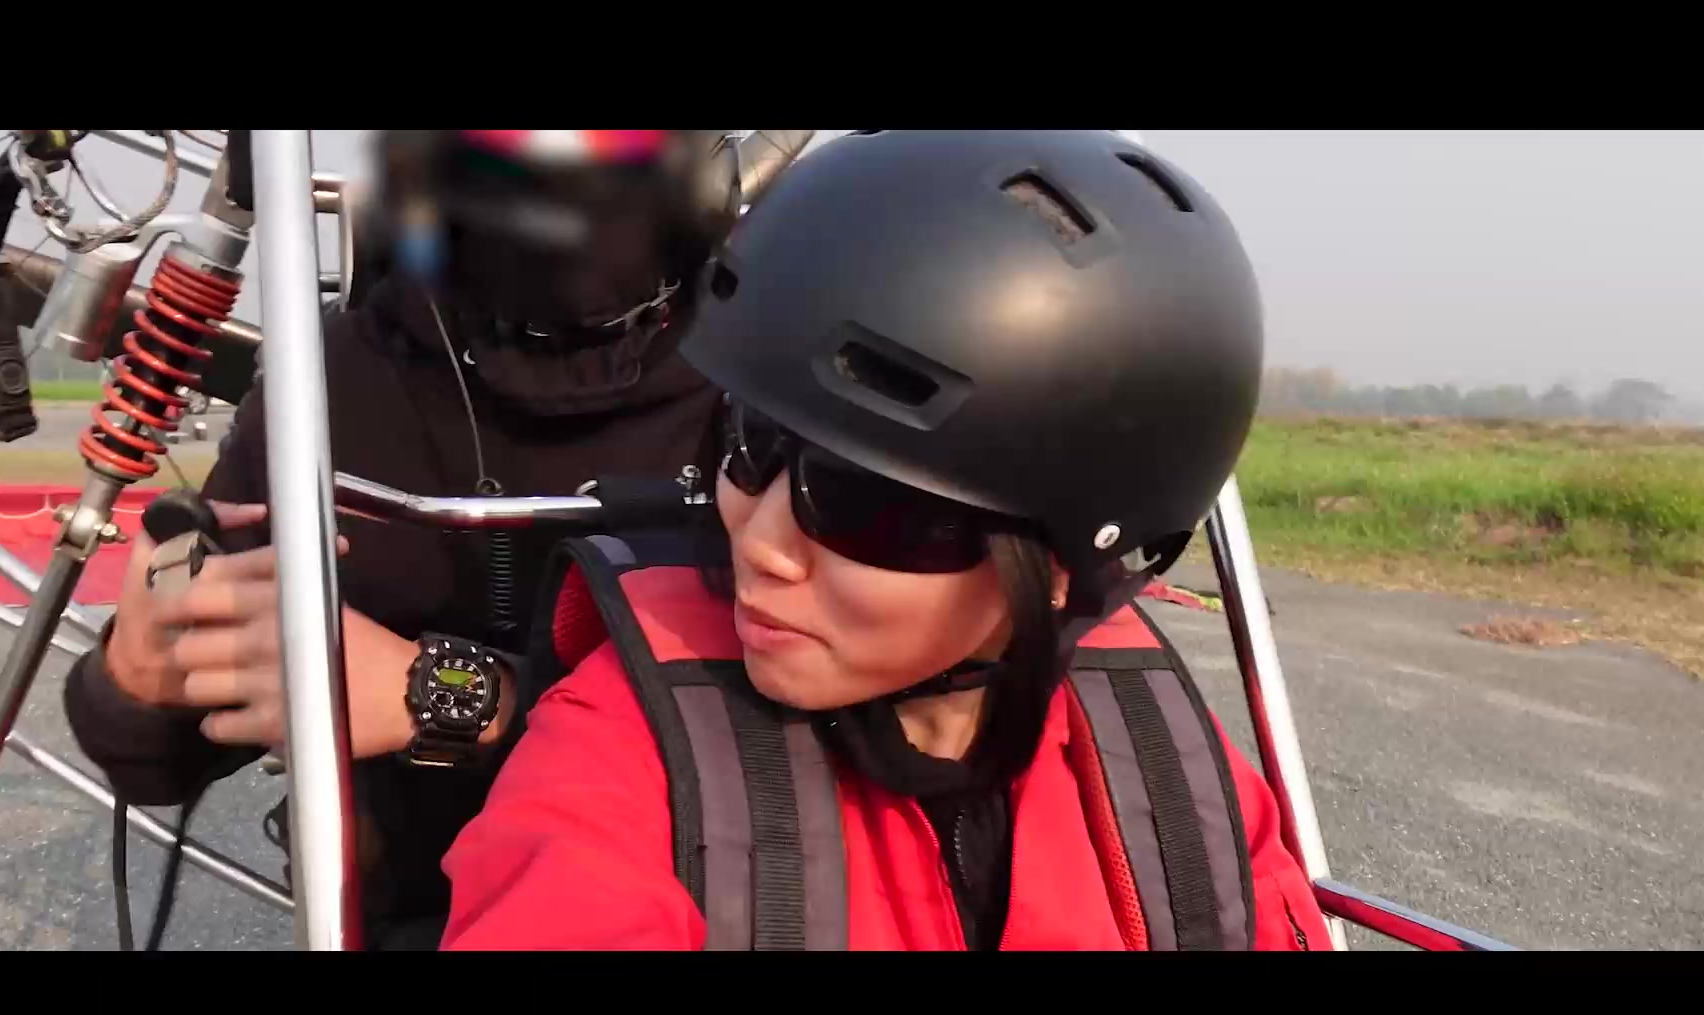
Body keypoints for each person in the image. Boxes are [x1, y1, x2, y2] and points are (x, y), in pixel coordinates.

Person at [438, 129, 1333, 950]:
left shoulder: (1160, 764)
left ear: (1065, 562)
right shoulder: (625, 748)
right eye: (749, 443)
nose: (761, 541)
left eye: (863, 503)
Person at [61, 130, 756, 950]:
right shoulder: (339, 374)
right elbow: (158, 760)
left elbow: (833, 732)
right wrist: (138, 681)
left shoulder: (760, 367)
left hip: (718, 904)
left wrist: (458, 698)